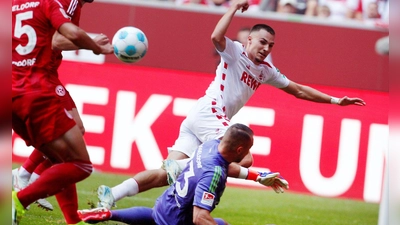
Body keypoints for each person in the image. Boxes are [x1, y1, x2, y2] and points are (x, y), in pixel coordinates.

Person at [96, 0, 365, 210]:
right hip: (210, 113)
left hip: (199, 116)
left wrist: (334, 100)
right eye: (261, 42)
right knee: (244, 155)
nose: (265, 48)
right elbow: (215, 37)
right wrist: (234, 8)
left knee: (163, 175)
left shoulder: (267, 70)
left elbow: (298, 90)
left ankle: (113, 193)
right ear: (249, 40)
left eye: (270, 45)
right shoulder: (235, 51)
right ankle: (193, 167)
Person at [12, 0, 113, 224]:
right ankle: (21, 194)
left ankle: (71, 219)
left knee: (65, 155)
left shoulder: (13, 5)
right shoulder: (57, 3)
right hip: (39, 84)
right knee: (80, 164)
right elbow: (59, 39)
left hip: (12, 89)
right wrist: (95, 45)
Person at [79, 124, 264, 225]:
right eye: (248, 149)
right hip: (177, 222)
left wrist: (257, 176)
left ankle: (109, 213)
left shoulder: (210, 146)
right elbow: (199, 218)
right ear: (239, 149)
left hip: (166, 204)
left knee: (154, 216)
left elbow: (225, 166)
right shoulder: (213, 174)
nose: (249, 153)